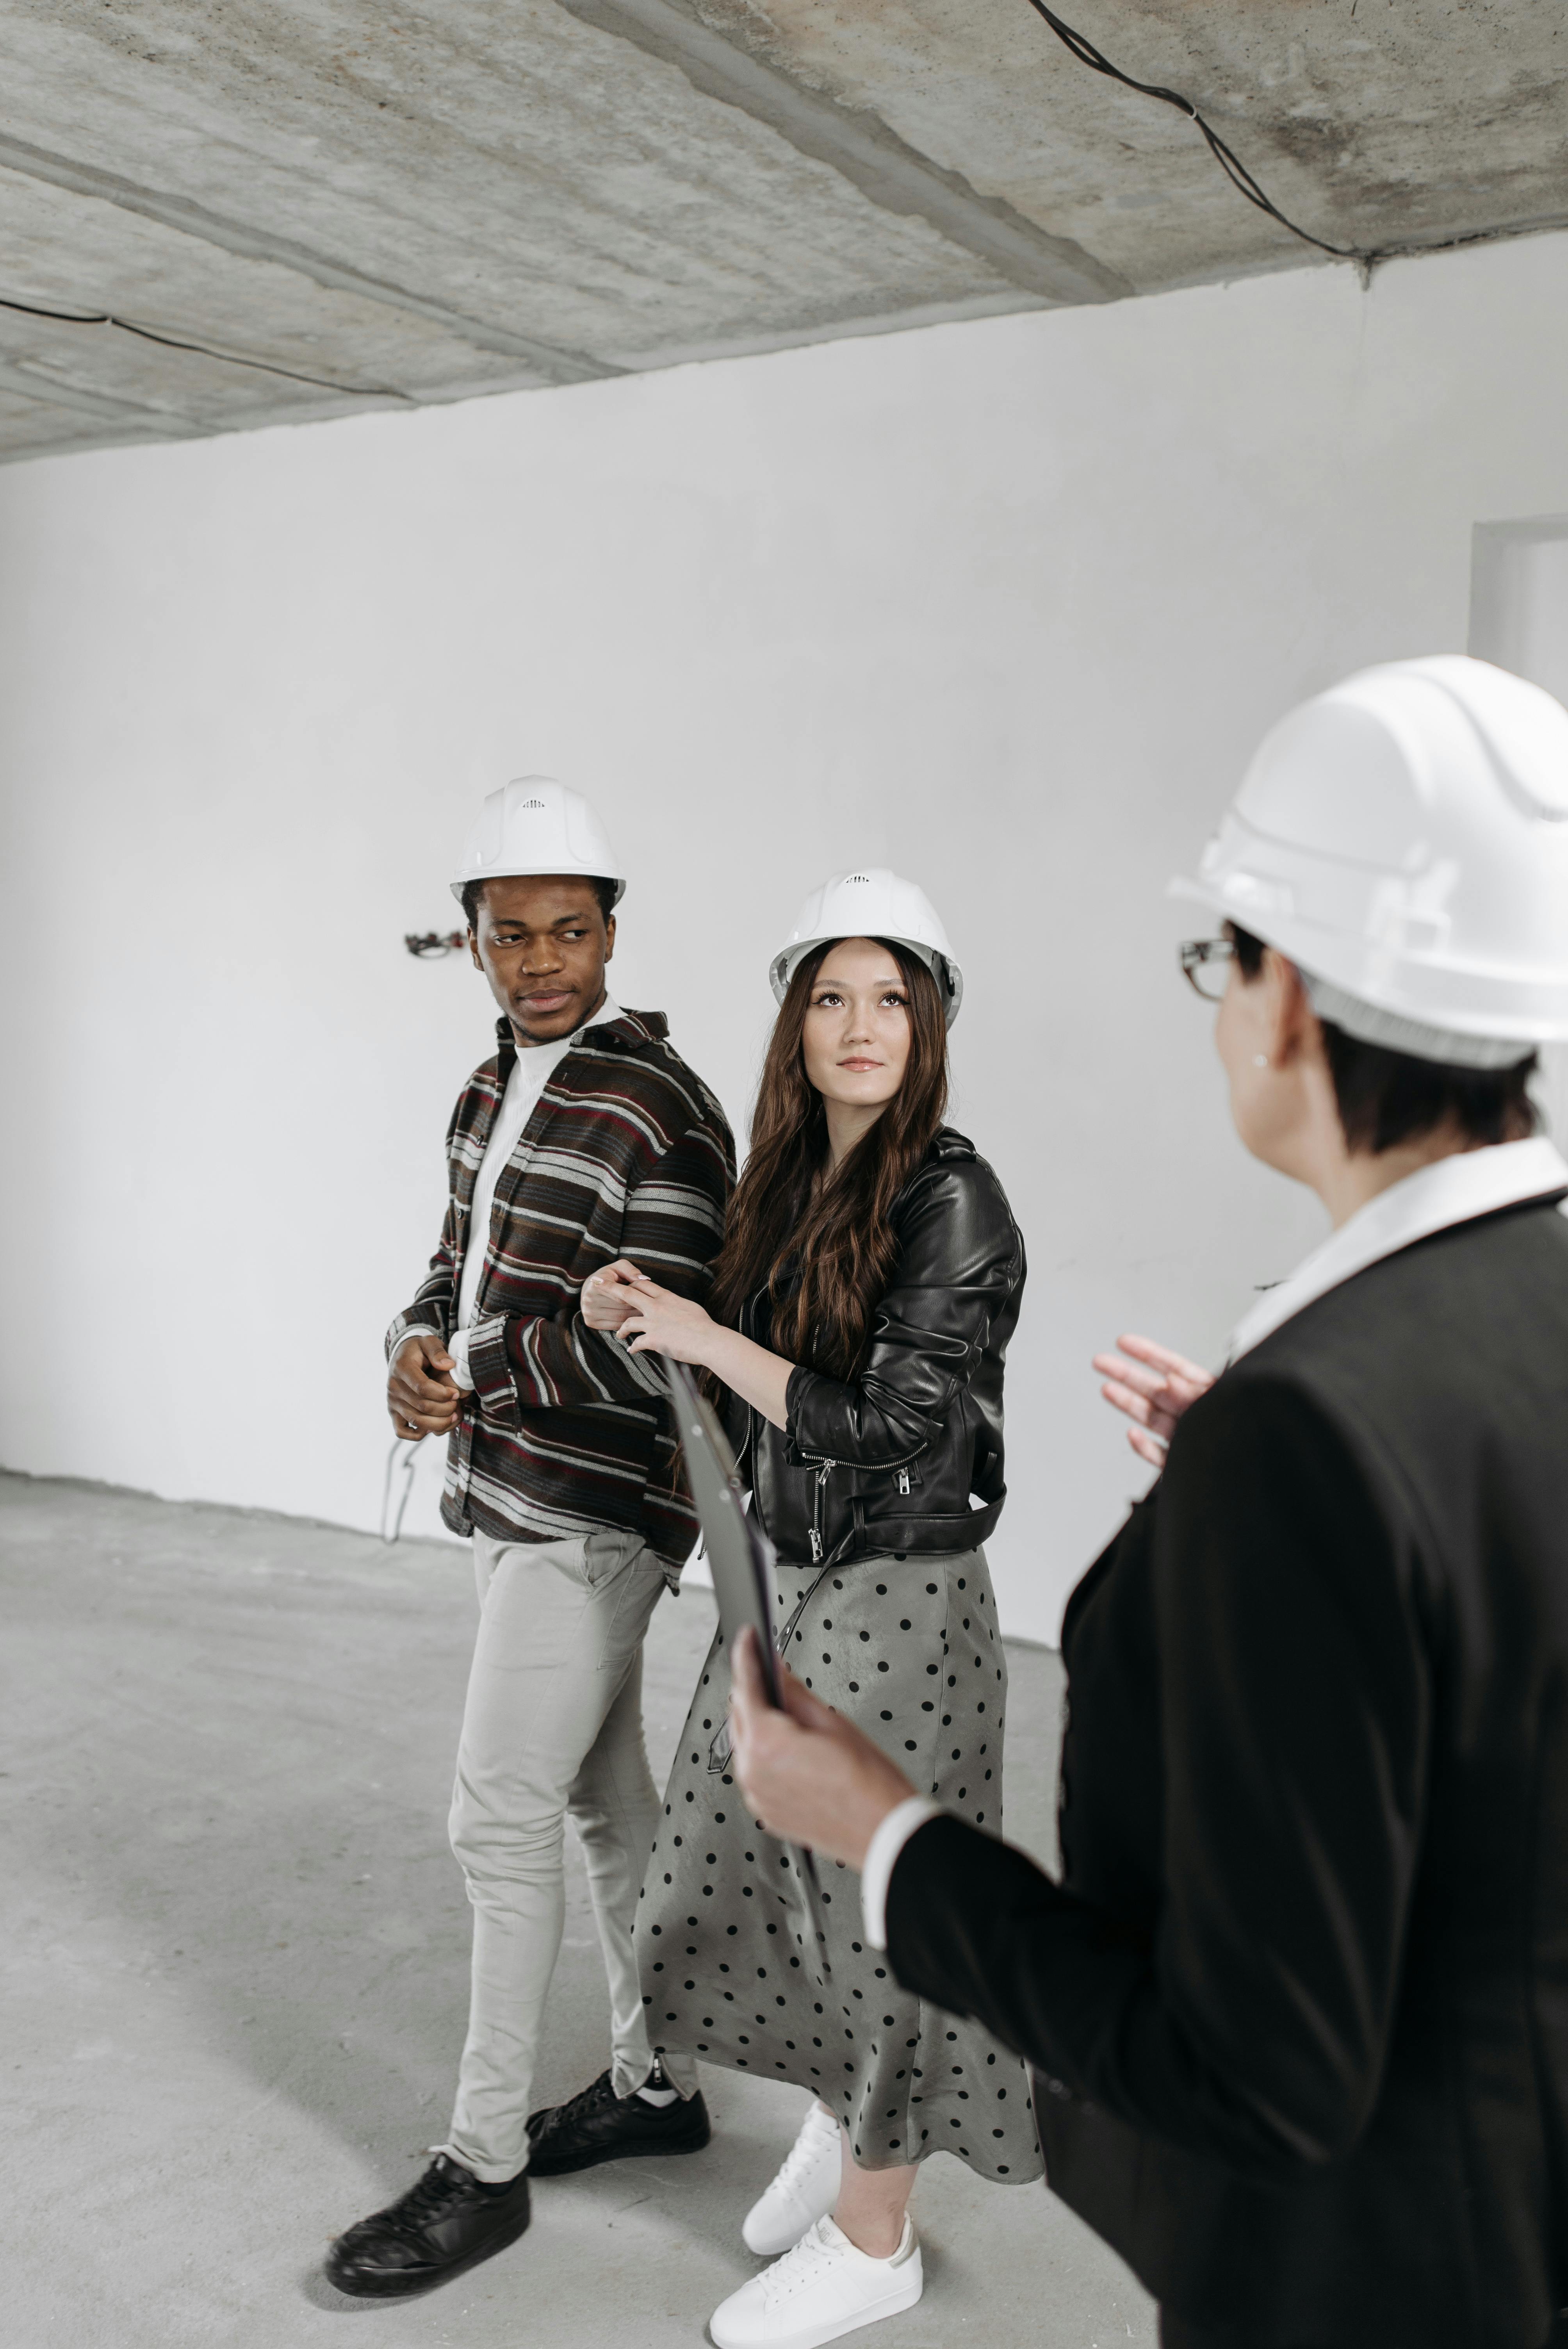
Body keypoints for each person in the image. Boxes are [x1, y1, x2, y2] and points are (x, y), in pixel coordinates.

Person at [723, 659, 1568, 2349]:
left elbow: (1253, 2077)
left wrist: (886, 1835)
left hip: (1382, 2286)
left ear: (1287, 1000)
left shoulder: (1319, 1430)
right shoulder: (1481, 1327)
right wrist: (1262, 1494)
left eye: (1219, 959)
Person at [539, 868, 1043, 2349]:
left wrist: (705, 1331)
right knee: (746, 1875)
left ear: (930, 1021)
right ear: (796, 1024)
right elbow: (760, 1410)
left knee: (888, 1917)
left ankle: (876, 2236)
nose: (861, 1023)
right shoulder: (789, 1184)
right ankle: (844, 2115)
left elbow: (886, 1422)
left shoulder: (953, 1195)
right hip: (791, 1579)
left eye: (892, 997)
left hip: (903, 1597)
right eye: (832, 996)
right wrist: (647, 1324)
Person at [325, 777, 734, 2299]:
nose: (542, 957)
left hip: (601, 1512)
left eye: (571, 928)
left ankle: (480, 2164)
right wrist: (413, 1348)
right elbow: (455, 1263)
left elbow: (661, 1336)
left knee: (493, 1815)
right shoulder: (487, 1091)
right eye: (512, 934)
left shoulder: (661, 1108)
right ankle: (657, 2083)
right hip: (500, 1497)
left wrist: (484, 1364)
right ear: (474, 943)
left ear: (612, 932)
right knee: (605, 1809)